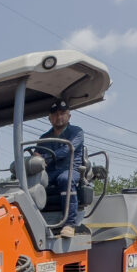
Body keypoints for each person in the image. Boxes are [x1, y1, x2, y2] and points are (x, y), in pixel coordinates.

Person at [39, 99, 85, 237]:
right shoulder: (44, 137)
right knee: (32, 182)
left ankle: (69, 224)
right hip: (51, 172)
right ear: (49, 118)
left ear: (68, 116)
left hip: (71, 169)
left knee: (65, 179)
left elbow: (67, 150)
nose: (59, 117)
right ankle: (33, 222)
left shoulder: (76, 132)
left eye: (62, 113)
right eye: (55, 114)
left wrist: (45, 158)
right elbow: (37, 154)